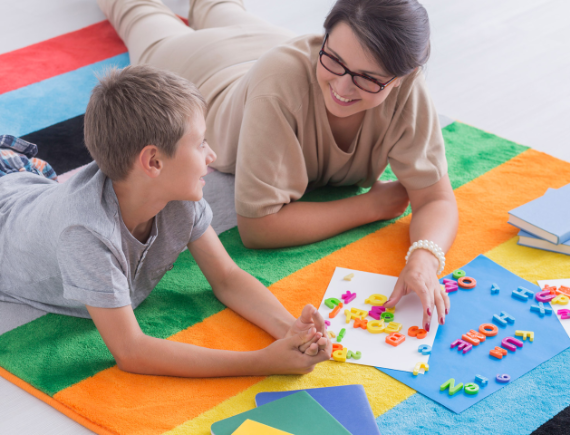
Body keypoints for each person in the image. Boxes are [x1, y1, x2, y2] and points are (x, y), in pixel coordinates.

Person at [99, 0, 457, 330]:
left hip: (264, 44)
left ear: (403, 76)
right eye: (332, 57)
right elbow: (259, 226)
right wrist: (372, 205)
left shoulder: (407, 89)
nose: (343, 87)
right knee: (138, 12)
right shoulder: (281, 84)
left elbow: (436, 200)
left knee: (218, 5)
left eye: (367, 77)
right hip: (202, 68)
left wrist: (424, 259)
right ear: (324, 39)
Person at [0, 65, 330, 377]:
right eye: (200, 143)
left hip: (26, 187)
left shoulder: (179, 197)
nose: (211, 155)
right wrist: (262, 361)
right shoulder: (86, 234)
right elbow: (131, 351)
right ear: (154, 162)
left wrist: (292, 332)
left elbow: (227, 277)